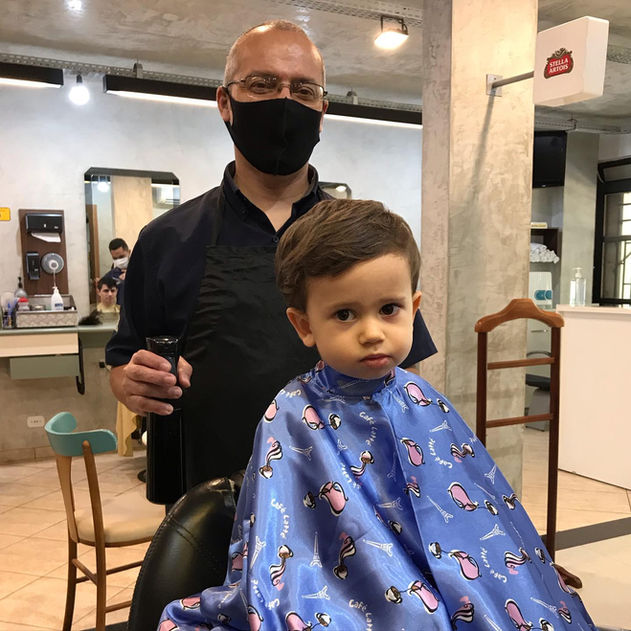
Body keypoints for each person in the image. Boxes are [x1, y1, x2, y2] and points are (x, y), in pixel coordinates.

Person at [159, 199, 594, 630]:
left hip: (450, 573)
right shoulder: (291, 414)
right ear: (304, 325)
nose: (372, 333)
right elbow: (288, 546)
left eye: (389, 309)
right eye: (344, 314)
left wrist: (526, 567)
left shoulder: (423, 398)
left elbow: (476, 514)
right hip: (347, 588)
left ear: (413, 308)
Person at [105, 20, 436, 490]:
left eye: (303, 90)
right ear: (225, 103)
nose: (284, 101)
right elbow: (123, 364)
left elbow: (406, 369)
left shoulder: (364, 237)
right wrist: (135, 384)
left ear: (321, 112)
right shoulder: (166, 239)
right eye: (262, 84)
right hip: (211, 500)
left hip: (347, 499)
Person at [99, 237, 130, 306]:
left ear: (129, 252)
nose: (119, 261)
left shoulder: (140, 270)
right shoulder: (110, 276)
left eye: (121, 257)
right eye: (115, 258)